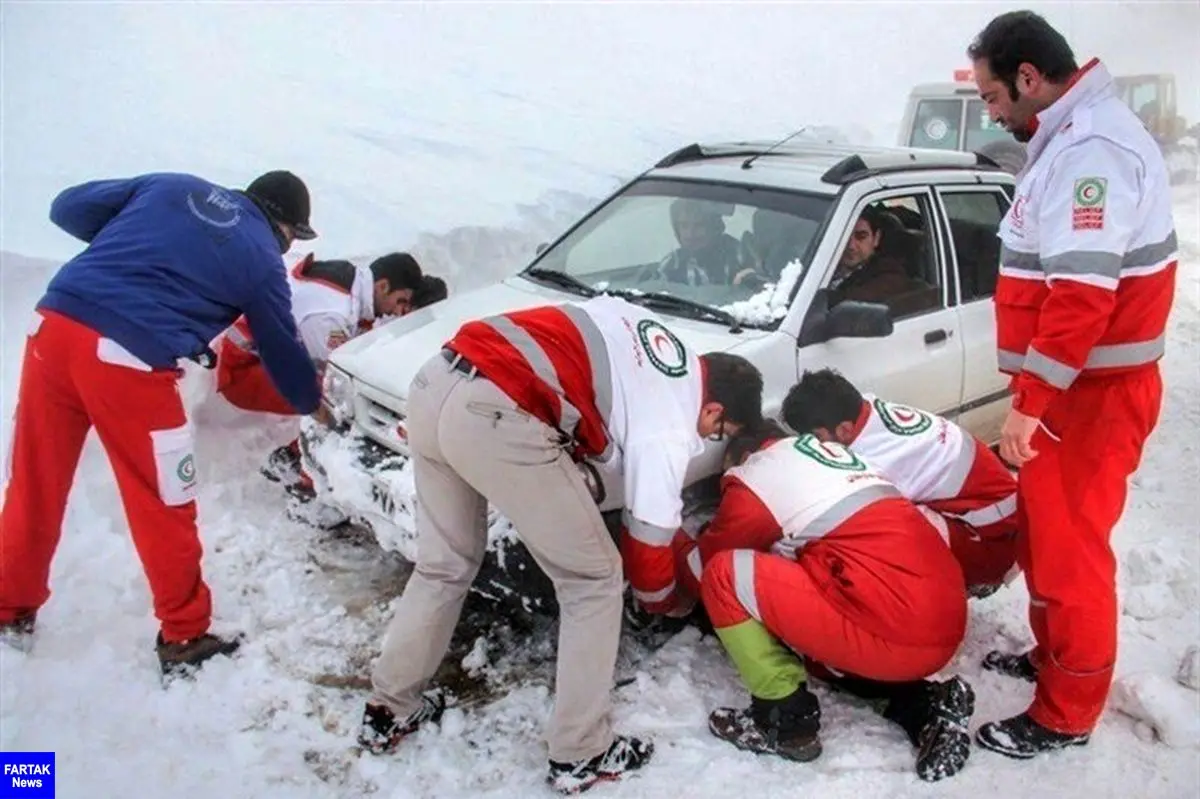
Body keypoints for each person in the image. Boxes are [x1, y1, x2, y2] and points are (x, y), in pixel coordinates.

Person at [356, 294, 763, 794]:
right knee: (594, 580)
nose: (708, 440)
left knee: (445, 565)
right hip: (497, 411)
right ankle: (581, 751)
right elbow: (648, 541)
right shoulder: (672, 421)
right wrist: (665, 602)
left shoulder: (651, 338)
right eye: (718, 430)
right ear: (715, 406)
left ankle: (389, 708)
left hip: (435, 382)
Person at [0, 170, 324, 678]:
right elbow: (281, 352)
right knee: (163, 499)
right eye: (291, 239)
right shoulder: (261, 261)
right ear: (284, 226)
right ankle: (184, 634)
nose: (286, 249)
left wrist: (145, 245)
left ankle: (8, 609)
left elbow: (66, 207)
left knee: (33, 485)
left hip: (53, 329)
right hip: (127, 360)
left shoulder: (172, 187)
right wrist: (314, 401)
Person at [967, 11, 1177, 758]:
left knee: (1071, 552)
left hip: (1090, 395)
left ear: (1029, 78)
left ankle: (1069, 706)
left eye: (993, 96)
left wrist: (1032, 401)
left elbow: (1081, 296)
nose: (990, 112)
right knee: (1047, 537)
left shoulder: (1093, 150)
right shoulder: (1070, 137)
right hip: (1073, 391)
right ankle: (1053, 657)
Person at [672, 419, 974, 782]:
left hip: (897, 629)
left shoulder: (758, 476)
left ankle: (785, 722)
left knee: (725, 574)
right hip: (941, 617)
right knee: (812, 646)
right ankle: (926, 706)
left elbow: (703, 572)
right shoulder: (843, 463)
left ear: (747, 456)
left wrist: (666, 531)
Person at [781, 368, 1019, 597]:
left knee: (874, 528)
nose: (814, 445)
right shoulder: (866, 409)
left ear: (844, 429)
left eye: (817, 437)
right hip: (998, 519)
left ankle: (950, 588)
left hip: (997, 545)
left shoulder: (882, 459)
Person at [214, 252, 435, 489]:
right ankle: (307, 479)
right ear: (382, 286)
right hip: (244, 371)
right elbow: (332, 376)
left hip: (262, 357)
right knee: (339, 400)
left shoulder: (351, 285)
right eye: (400, 301)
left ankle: (294, 457)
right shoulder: (332, 314)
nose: (398, 310)